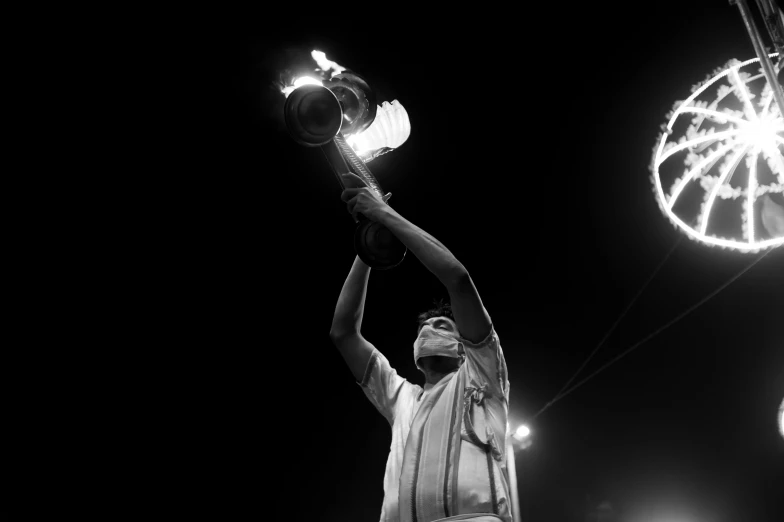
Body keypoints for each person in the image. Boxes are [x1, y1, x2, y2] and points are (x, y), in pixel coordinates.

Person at [329, 172, 511, 522]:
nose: (428, 329)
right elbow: (343, 333)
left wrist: (383, 214)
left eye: (441, 325)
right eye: (422, 328)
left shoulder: (482, 378)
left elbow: (457, 279)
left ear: (463, 349)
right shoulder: (402, 399)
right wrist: (368, 246)